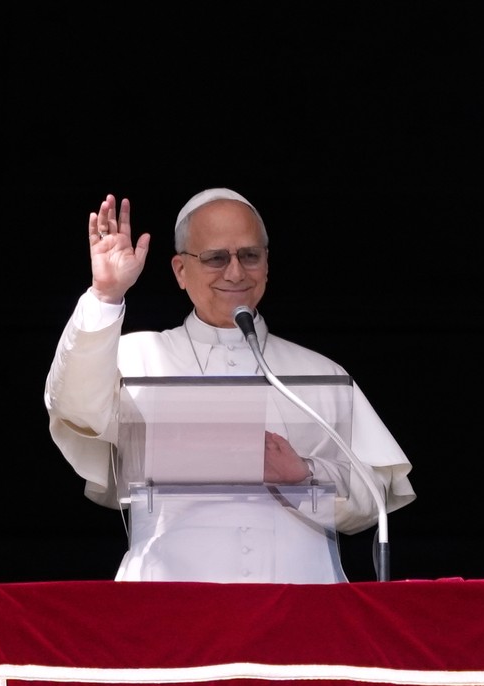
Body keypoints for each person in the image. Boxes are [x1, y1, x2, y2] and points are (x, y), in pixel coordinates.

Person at [44, 188, 415, 582]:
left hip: (300, 605)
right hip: (169, 600)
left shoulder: (319, 373)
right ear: (181, 271)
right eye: (216, 258)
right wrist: (106, 295)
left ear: (267, 264)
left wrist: (304, 474)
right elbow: (77, 408)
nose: (236, 272)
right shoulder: (136, 358)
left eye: (249, 256)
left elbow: (374, 495)